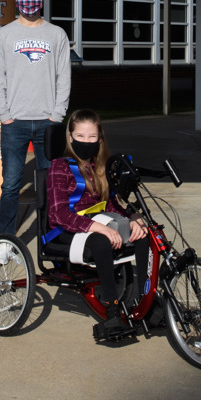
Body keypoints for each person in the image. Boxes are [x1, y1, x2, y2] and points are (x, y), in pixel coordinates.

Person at [42, 109, 150, 333]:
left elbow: (109, 205)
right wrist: (97, 227)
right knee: (101, 242)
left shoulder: (99, 168)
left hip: (97, 224)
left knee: (142, 235)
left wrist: (132, 218)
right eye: (80, 136)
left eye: (92, 137)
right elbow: (57, 214)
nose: (86, 142)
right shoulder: (60, 167)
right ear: (70, 137)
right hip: (64, 230)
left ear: (99, 139)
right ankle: (111, 312)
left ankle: (145, 302)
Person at [0, 0, 71, 237]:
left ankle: (49, 235)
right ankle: (6, 240)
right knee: (11, 186)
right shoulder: (3, 35)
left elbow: (64, 77)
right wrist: (5, 114)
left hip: (48, 122)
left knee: (50, 186)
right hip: (15, 124)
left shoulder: (57, 34)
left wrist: (57, 115)